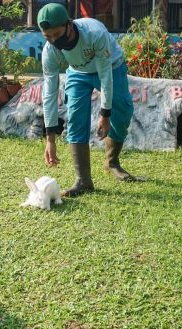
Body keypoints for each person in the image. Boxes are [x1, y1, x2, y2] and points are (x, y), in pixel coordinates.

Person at [37, 3, 145, 197]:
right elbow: (50, 93)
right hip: (78, 73)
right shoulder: (50, 51)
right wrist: (50, 139)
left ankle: (112, 162)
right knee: (76, 118)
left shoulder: (94, 33)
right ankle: (83, 181)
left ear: (69, 25)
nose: (54, 40)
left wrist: (105, 114)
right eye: (48, 37)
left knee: (122, 114)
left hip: (111, 67)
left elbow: (105, 76)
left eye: (57, 34)